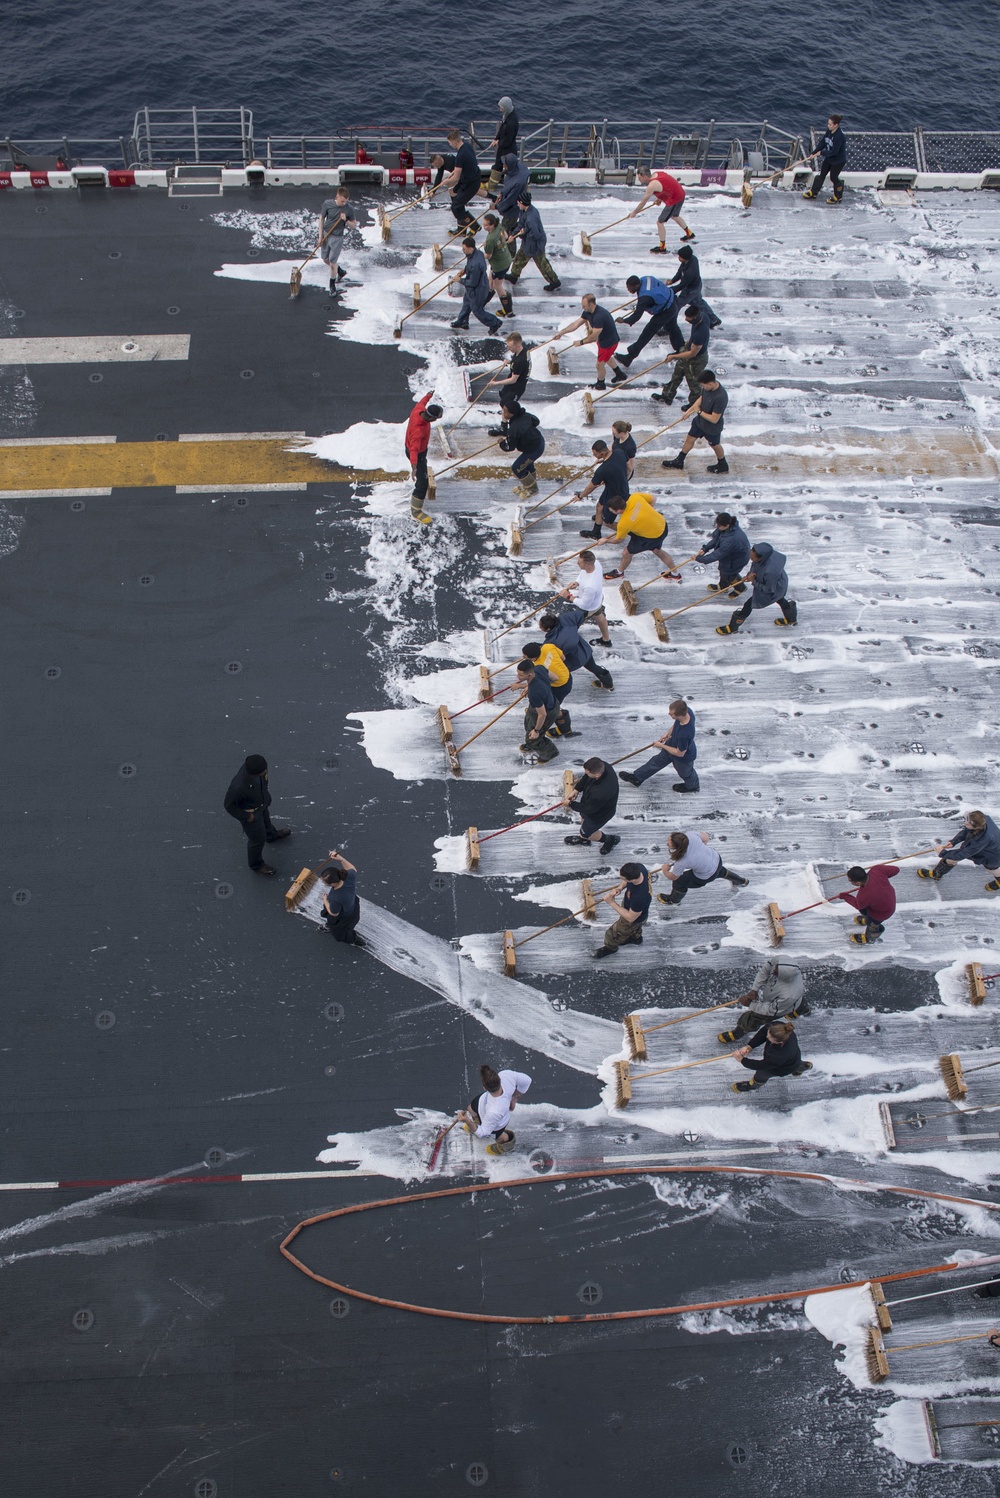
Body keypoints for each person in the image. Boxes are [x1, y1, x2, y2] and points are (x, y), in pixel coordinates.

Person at [224, 754, 291, 875]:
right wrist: (247, 817)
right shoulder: (237, 788)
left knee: (267, 823)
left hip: (261, 805)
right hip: (251, 814)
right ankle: (256, 865)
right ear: (254, 773)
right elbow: (229, 806)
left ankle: (271, 836)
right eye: (263, 770)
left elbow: (264, 784)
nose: (266, 771)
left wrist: (266, 799)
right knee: (257, 840)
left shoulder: (257, 769)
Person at [717, 960, 809, 1043]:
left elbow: (770, 1010)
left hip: (782, 1004)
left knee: (756, 1017)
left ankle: (739, 1031)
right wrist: (754, 989)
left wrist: (750, 1004)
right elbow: (765, 970)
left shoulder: (788, 995)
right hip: (791, 997)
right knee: (797, 1000)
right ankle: (801, 1009)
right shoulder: (782, 961)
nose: (773, 972)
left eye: (776, 973)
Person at [597, 490, 680, 581]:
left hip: (652, 537)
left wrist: (605, 540)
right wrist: (646, 514)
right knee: (657, 550)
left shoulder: (624, 523)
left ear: (619, 510)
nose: (611, 511)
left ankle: (619, 573)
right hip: (662, 525)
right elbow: (653, 499)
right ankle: (675, 574)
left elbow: (619, 540)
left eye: (612, 510)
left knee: (627, 552)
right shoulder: (635, 497)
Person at [716, 542, 797, 635]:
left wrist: (753, 581)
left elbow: (769, 589)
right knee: (780, 599)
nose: (751, 558)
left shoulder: (770, 572)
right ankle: (791, 619)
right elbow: (756, 566)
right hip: (778, 584)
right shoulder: (764, 557)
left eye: (753, 557)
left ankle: (732, 627)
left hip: (774, 588)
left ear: (760, 557)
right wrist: (748, 575)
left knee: (748, 605)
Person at [620, 698, 699, 793]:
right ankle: (637, 778)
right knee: (656, 762)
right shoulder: (687, 712)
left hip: (683, 757)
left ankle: (692, 787)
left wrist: (661, 746)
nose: (669, 714)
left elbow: (680, 753)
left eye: (671, 713)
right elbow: (676, 723)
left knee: (685, 773)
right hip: (672, 745)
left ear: (679, 715)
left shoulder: (685, 734)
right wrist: (668, 733)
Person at [657, 829, 748, 907]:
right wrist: (700, 852)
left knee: (680, 881)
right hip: (716, 859)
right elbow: (706, 838)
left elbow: (674, 877)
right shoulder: (690, 835)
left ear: (678, 848)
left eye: (669, 844)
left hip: (706, 875)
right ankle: (741, 881)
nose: (667, 843)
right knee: (719, 871)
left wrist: (665, 869)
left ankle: (674, 900)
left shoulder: (682, 861)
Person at [661, 369, 729, 474]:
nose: (703, 388)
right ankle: (680, 460)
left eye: (703, 386)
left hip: (711, 428)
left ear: (710, 383)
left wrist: (699, 411)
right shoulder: (708, 388)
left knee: (715, 445)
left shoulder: (721, 397)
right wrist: (690, 411)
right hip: (699, 422)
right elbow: (702, 398)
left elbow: (714, 419)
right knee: (690, 438)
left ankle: (722, 464)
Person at [457, 1064, 531, 1155]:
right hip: (483, 1101)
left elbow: (483, 1133)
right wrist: (514, 1099)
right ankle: (477, 1124)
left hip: (496, 1122)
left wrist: (467, 1121)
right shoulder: (506, 1075)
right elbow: (527, 1081)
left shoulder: (495, 1111)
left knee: (500, 1137)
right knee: (471, 1109)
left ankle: (505, 1146)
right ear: (499, 1079)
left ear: (484, 1087)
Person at [918, 810, 1000, 890]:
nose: (964, 823)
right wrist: (953, 842)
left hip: (992, 855)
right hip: (981, 848)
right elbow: (966, 831)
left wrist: (942, 852)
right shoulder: (982, 820)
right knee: (951, 858)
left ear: (976, 826)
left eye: (967, 823)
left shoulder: (982, 840)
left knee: (992, 869)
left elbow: (963, 853)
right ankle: (937, 873)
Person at [556, 293, 624, 390]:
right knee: (607, 358)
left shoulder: (599, 316)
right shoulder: (588, 312)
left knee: (599, 365)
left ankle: (601, 384)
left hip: (609, 343)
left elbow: (593, 337)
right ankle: (620, 374)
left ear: (591, 304)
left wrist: (581, 342)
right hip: (602, 340)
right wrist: (562, 332)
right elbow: (576, 324)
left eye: (584, 306)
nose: (582, 308)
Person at [538, 606, 614, 690]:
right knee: (594, 667)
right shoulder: (566, 619)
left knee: (560, 673)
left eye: (541, 626)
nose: (539, 627)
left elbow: (550, 653)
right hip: (584, 650)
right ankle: (608, 683)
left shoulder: (551, 642)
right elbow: (581, 615)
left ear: (548, 629)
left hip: (575, 659)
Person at [615, 275, 684, 367]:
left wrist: (623, 320)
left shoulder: (644, 298)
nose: (628, 290)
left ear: (636, 286)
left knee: (648, 332)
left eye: (629, 288)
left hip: (666, 310)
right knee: (672, 327)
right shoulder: (645, 279)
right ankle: (681, 349)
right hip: (672, 300)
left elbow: (636, 316)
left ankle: (629, 357)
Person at [654, 305, 710, 406]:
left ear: (695, 318)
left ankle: (694, 404)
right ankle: (667, 395)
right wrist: (689, 341)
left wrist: (674, 356)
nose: (686, 319)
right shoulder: (703, 317)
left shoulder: (701, 333)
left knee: (694, 382)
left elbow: (692, 353)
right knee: (676, 375)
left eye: (689, 319)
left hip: (697, 359)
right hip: (689, 349)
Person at [732, 1021, 812, 1093]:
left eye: (770, 1038)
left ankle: (751, 1086)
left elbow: (763, 1065)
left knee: (762, 1074)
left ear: (779, 1042)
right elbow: (763, 1033)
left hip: (780, 1068)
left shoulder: (780, 1054)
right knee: (795, 1063)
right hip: (793, 1057)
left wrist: (742, 1060)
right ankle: (803, 1066)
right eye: (768, 1034)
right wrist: (750, 1046)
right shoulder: (779, 1028)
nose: (767, 1037)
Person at [564, 756, 621, 856]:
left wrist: (570, 804)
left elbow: (589, 809)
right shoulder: (603, 765)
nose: (586, 774)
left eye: (588, 772)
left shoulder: (601, 792)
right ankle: (584, 839)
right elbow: (586, 777)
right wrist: (577, 789)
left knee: (586, 832)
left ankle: (608, 839)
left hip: (598, 815)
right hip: (590, 803)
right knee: (583, 817)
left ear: (597, 775)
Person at [594, 862, 652, 958]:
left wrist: (611, 902)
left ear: (632, 879)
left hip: (633, 917)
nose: (622, 880)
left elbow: (630, 918)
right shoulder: (640, 868)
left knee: (611, 935)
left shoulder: (639, 897)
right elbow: (626, 882)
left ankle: (610, 948)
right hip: (638, 911)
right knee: (636, 927)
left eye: (623, 879)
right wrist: (619, 888)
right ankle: (635, 938)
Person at [576, 438, 630, 540]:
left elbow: (591, 487)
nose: (594, 456)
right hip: (620, 487)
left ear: (602, 453)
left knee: (608, 522)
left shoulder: (602, 470)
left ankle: (632, 531)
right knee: (599, 506)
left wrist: (580, 496)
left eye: (595, 454)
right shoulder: (619, 452)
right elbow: (628, 467)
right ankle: (596, 532)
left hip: (616, 495)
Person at [629, 167, 695, 250]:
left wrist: (635, 212)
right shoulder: (658, 173)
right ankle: (689, 233)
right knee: (674, 216)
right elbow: (666, 186)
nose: (639, 180)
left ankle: (662, 247)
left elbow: (643, 202)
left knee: (660, 222)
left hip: (674, 200)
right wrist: (660, 199)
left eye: (639, 178)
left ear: (645, 176)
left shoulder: (651, 185)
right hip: (680, 194)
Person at [508, 192, 561, 291]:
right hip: (527, 243)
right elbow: (520, 225)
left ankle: (554, 282)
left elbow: (536, 235)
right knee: (519, 259)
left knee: (542, 265)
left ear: (523, 202)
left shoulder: (531, 218)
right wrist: (513, 235)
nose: (517, 204)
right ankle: (514, 276)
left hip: (535, 246)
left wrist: (523, 233)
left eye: (518, 203)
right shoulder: (524, 211)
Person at [450, 237, 503, 336]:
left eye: (464, 249)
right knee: (466, 303)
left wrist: (459, 280)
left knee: (477, 310)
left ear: (471, 249)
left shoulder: (475, 264)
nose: (463, 250)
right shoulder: (477, 253)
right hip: (475, 286)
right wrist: (465, 270)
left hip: (478, 289)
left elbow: (472, 283)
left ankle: (495, 322)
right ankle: (462, 321)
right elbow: (469, 265)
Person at [521, 639, 575, 736]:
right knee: (551, 706)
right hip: (567, 677)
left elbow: (539, 681)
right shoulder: (548, 646)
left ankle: (564, 729)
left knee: (552, 708)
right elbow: (563, 658)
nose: (522, 657)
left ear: (532, 659)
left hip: (559, 687)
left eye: (525, 657)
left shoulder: (538, 667)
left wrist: (528, 686)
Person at [835, 863, 899, 945]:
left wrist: (845, 896)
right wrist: (882, 879)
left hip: (882, 912)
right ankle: (867, 918)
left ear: (858, 883)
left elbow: (858, 905)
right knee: (865, 910)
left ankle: (870, 938)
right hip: (883, 901)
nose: (850, 882)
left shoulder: (864, 895)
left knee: (872, 923)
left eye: (850, 881)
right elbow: (896, 869)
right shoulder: (877, 869)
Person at [560, 549, 612, 647]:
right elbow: (582, 574)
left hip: (588, 607)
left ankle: (566, 646)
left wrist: (568, 596)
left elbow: (584, 604)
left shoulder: (590, 587)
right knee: (599, 616)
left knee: (572, 625)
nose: (577, 563)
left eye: (579, 563)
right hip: (597, 600)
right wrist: (577, 583)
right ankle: (606, 640)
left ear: (587, 565)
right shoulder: (595, 563)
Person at [405, 392, 443, 524]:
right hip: (416, 454)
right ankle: (416, 512)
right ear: (432, 419)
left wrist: (428, 395)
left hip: (420, 451)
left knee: (423, 468)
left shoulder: (419, 409)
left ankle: (421, 470)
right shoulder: (418, 430)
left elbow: (422, 401)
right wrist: (414, 467)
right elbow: (414, 449)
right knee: (422, 483)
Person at [316, 187, 359, 296]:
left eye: (346, 201)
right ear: (337, 197)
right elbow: (321, 219)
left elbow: (354, 225)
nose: (344, 203)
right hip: (326, 233)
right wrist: (320, 237)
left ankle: (332, 286)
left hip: (337, 238)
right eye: (342, 201)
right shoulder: (327, 204)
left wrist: (346, 220)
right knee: (325, 259)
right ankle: (340, 271)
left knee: (332, 263)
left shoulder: (349, 209)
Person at [318, 851, 366, 948]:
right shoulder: (348, 877)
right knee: (332, 921)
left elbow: (333, 913)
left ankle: (353, 939)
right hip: (352, 905)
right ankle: (329, 925)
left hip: (344, 917)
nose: (322, 881)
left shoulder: (336, 898)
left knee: (341, 932)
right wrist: (340, 859)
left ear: (332, 884)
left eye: (324, 881)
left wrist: (325, 900)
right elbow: (353, 869)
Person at [516, 659, 560, 763]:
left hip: (547, 711)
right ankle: (531, 743)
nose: (518, 677)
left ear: (529, 675)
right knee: (528, 724)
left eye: (521, 676)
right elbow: (555, 678)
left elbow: (542, 714)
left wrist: (536, 731)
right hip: (551, 701)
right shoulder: (539, 668)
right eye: (518, 674)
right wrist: (530, 686)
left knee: (534, 738)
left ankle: (550, 753)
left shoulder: (534, 692)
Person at [667, 244, 721, 327]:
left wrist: (670, 290)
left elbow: (682, 285)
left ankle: (669, 326)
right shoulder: (692, 259)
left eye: (680, 257)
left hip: (690, 290)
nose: (678, 258)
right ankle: (713, 319)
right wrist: (672, 280)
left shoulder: (690, 272)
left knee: (676, 305)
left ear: (685, 258)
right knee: (699, 303)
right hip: (696, 285)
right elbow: (680, 271)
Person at [499, 402, 544, 498]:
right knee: (527, 464)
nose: (502, 413)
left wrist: (502, 443)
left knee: (517, 468)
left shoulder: (514, 430)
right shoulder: (526, 415)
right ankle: (530, 485)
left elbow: (510, 447)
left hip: (534, 449)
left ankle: (533, 490)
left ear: (512, 414)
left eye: (505, 412)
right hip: (539, 441)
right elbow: (536, 421)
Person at [696, 512, 750, 593]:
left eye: (719, 526)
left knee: (729, 573)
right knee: (724, 570)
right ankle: (723, 586)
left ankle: (740, 588)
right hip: (729, 555)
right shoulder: (725, 528)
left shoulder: (732, 539)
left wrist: (701, 559)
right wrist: (705, 549)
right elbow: (716, 539)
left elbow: (717, 554)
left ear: (727, 525)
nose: (717, 527)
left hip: (737, 559)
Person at [489, 332, 530, 434]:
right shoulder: (522, 351)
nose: (509, 349)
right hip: (512, 385)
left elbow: (513, 379)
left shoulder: (521, 361)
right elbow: (517, 366)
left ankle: (511, 429)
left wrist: (495, 383)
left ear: (518, 345)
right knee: (503, 403)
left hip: (516, 387)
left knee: (510, 409)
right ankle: (505, 427)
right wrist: (510, 362)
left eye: (510, 347)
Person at [441, 128, 482, 228]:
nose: (450, 145)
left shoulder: (460, 156)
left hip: (470, 184)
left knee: (456, 207)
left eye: (450, 143)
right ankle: (462, 228)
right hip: (474, 178)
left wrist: (446, 182)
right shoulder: (467, 146)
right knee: (457, 199)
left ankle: (474, 225)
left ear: (455, 141)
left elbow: (455, 179)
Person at [803, 114, 847, 204]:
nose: (828, 126)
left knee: (833, 178)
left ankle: (838, 196)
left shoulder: (839, 136)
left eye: (830, 124)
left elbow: (834, 152)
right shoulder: (829, 131)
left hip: (838, 161)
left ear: (836, 125)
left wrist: (822, 153)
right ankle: (813, 192)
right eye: (828, 124)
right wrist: (814, 152)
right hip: (829, 158)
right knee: (821, 175)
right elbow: (823, 142)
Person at [482, 211, 514, 317]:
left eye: (486, 225)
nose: (484, 227)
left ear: (492, 225)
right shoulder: (499, 226)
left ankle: (508, 309)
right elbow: (505, 236)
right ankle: (483, 300)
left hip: (499, 265)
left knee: (498, 285)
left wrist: (482, 250)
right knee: (491, 280)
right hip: (505, 258)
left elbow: (488, 256)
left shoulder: (490, 239)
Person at [487, 96, 519, 195]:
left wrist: (498, 143)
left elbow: (508, 140)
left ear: (506, 107)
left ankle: (514, 187)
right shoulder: (507, 115)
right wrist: (496, 138)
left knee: (510, 168)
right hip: (502, 147)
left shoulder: (512, 122)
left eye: (501, 107)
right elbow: (502, 129)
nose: (500, 109)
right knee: (498, 165)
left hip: (508, 149)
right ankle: (491, 186)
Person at [494, 152, 530, 233]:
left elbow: (510, 200)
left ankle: (507, 245)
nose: (503, 166)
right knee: (510, 231)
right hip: (515, 206)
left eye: (505, 164)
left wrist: (496, 206)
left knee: (505, 231)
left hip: (513, 211)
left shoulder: (518, 183)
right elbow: (508, 186)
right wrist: (502, 193)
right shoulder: (517, 168)